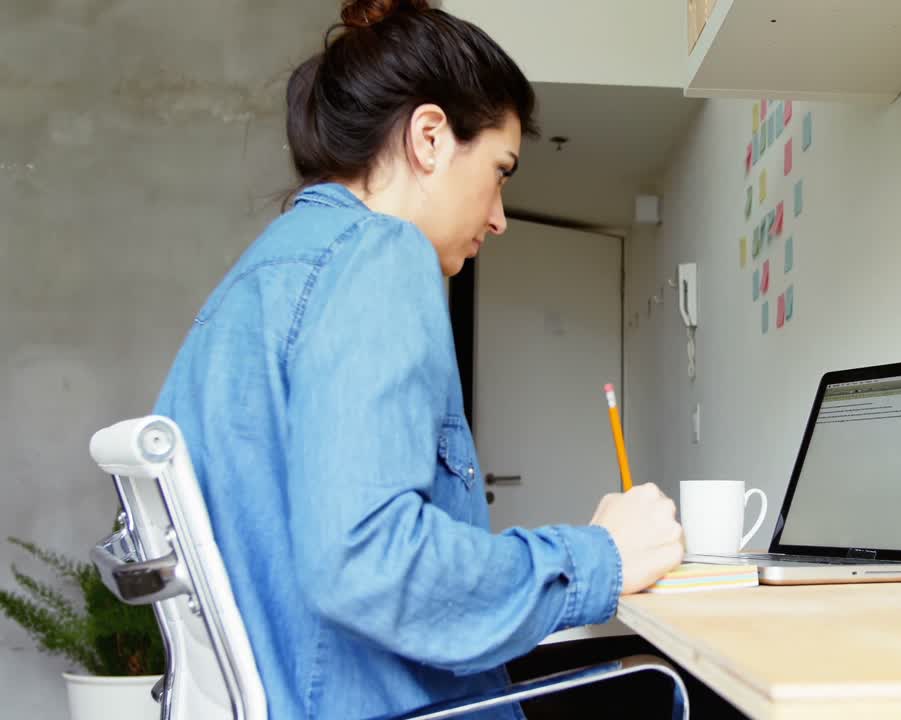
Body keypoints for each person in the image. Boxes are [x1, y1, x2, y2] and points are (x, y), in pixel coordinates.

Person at [151, 1, 684, 717]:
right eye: (500, 170)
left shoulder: (247, 289)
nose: (498, 215)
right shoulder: (380, 254)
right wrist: (603, 556)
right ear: (429, 137)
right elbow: (369, 562)